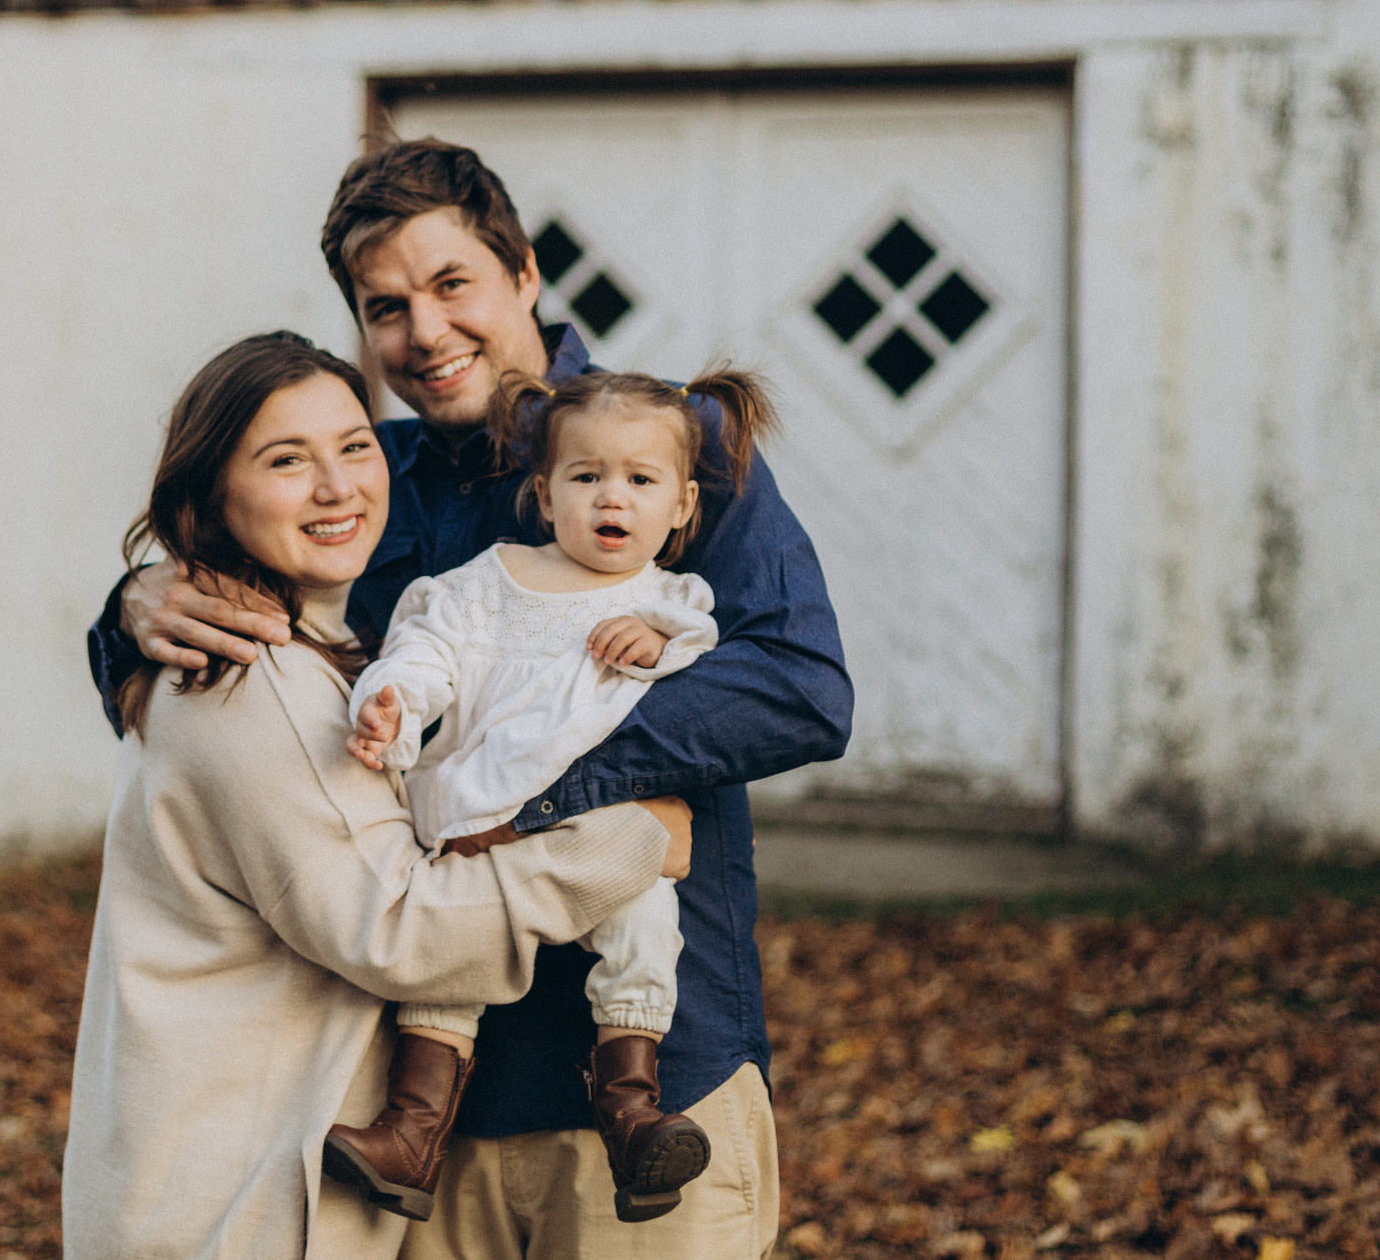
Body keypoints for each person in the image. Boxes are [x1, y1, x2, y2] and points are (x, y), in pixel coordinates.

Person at [88, 140, 855, 1257]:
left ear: (525, 272)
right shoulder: (366, 482)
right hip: (420, 1106)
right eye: (386, 307)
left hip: (648, 1087)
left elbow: (797, 685)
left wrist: (528, 794)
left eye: (453, 283)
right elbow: (259, 654)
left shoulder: (661, 445)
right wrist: (131, 606)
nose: (426, 331)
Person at [62, 332, 697, 1260]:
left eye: (355, 446)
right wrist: (631, 839)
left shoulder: (313, 655)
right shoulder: (256, 684)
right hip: (235, 1208)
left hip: (225, 1178)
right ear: (212, 495)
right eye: (287, 460)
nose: (337, 486)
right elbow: (402, 928)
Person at [326, 364, 779, 1226]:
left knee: (645, 928)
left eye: (640, 480)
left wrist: (657, 640)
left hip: (600, 839)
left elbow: (704, 664)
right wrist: (392, 701)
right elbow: (427, 649)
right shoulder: (489, 581)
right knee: (449, 957)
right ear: (543, 492)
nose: (612, 496)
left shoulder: (672, 602)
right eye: (586, 475)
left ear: (683, 505)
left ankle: (632, 1109)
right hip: (481, 817)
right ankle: (412, 1131)